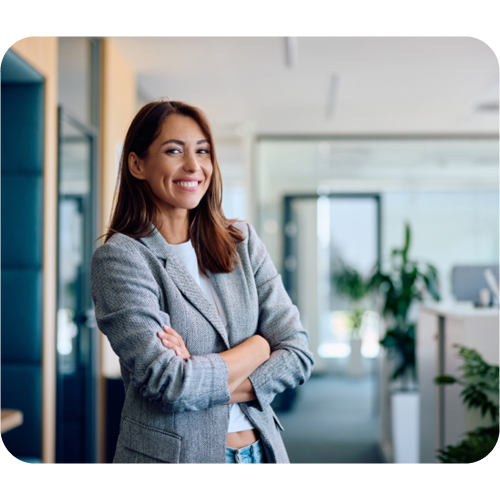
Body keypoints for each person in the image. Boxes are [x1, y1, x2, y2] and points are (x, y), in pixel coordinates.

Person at [90, 99, 314, 464]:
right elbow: (171, 384)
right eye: (174, 150)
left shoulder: (241, 243)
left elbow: (297, 354)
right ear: (137, 164)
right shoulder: (122, 258)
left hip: (261, 453)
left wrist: (197, 372)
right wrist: (258, 347)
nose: (193, 166)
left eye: (203, 151)